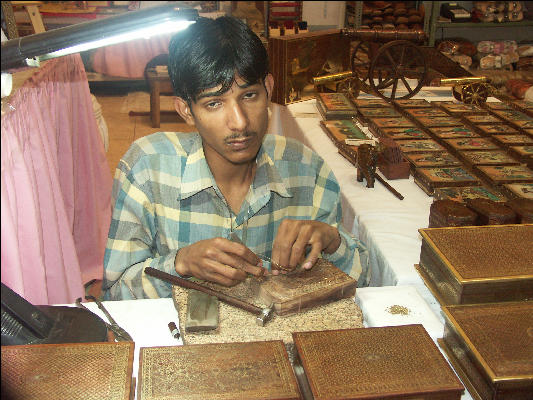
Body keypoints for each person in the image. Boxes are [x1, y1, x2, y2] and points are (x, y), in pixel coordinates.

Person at [103, 16, 369, 300]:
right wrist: (180, 264)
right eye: (214, 103)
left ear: (269, 88)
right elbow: (116, 292)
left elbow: (360, 283)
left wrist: (331, 242)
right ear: (186, 111)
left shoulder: (307, 171)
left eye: (250, 95)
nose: (240, 123)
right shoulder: (146, 169)